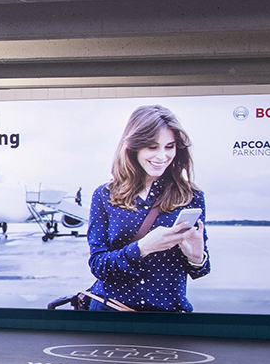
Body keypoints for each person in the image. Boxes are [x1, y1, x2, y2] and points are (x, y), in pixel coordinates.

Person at [83, 104, 209, 311]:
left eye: (170, 147)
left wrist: (196, 257)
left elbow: (200, 270)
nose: (162, 156)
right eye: (152, 147)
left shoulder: (191, 196)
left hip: (167, 318)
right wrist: (142, 248)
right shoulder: (104, 195)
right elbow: (98, 265)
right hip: (111, 312)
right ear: (133, 147)